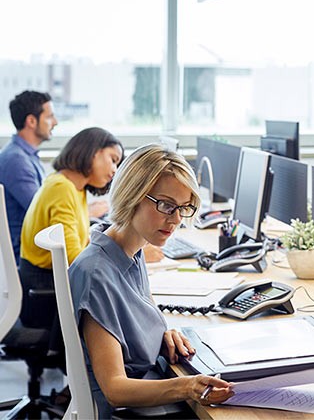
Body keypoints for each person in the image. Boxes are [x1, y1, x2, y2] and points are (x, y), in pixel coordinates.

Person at [69, 144, 233, 416]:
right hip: (125, 410)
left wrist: (161, 332)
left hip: (146, 390)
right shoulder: (96, 273)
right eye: (166, 205)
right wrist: (187, 387)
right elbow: (115, 388)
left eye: (183, 207)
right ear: (132, 195)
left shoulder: (131, 249)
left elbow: (136, 315)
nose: (176, 219)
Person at [19, 127, 124, 329]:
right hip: (44, 295)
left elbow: (81, 244)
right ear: (93, 151)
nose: (115, 170)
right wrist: (122, 255)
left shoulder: (74, 188)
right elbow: (75, 259)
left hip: (52, 287)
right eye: (113, 159)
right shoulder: (62, 188)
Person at [0, 90, 58, 262]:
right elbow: (42, 212)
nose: (55, 122)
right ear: (31, 121)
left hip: (31, 247)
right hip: (25, 256)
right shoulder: (16, 160)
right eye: (50, 117)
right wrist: (85, 212)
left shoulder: (25, 156)